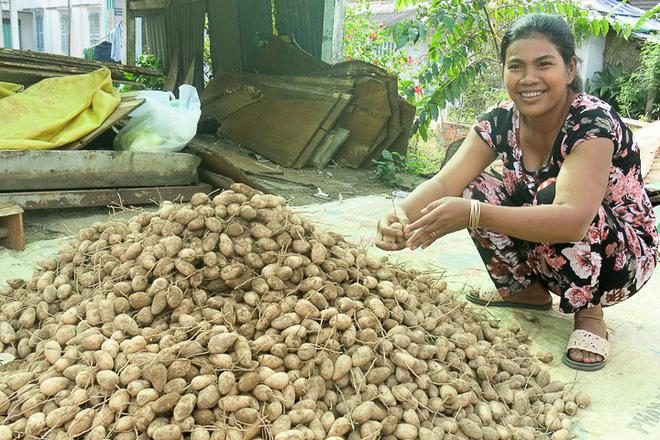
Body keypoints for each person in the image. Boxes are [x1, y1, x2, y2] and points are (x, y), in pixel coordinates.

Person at [376, 13, 659, 371]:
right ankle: (526, 291)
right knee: (472, 188)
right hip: (547, 238)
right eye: (516, 66)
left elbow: (573, 220)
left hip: (619, 254)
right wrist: (400, 213)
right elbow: (447, 181)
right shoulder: (501, 120)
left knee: (550, 197)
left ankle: (590, 315)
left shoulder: (591, 123)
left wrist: (474, 214)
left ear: (570, 69)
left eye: (544, 64)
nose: (529, 79)